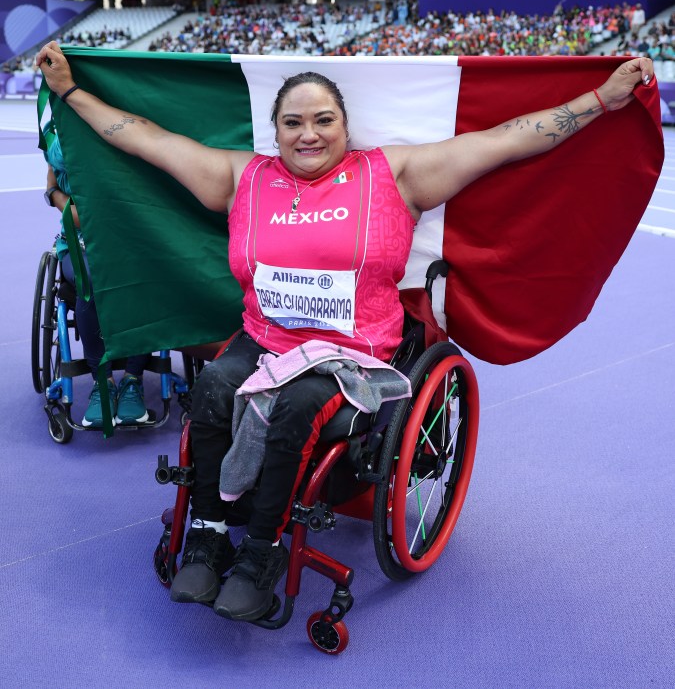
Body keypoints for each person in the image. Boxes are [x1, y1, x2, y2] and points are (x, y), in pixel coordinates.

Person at [36, 41, 653, 621]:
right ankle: (206, 535)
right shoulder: (242, 178)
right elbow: (147, 139)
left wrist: (599, 100)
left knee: (301, 407)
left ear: (345, 126)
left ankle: (261, 549)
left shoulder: (395, 176)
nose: (309, 134)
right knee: (214, 390)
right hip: (267, 339)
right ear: (274, 131)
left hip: (350, 351)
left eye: (323, 120)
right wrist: (69, 93)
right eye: (294, 123)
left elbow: (502, 142)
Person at [43, 126, 151, 428]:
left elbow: (68, 199)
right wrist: (53, 191)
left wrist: (54, 194)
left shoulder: (123, 123)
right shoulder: (56, 129)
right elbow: (77, 210)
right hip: (79, 243)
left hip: (129, 237)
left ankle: (132, 379)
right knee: (89, 279)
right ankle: (101, 382)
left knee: (148, 275)